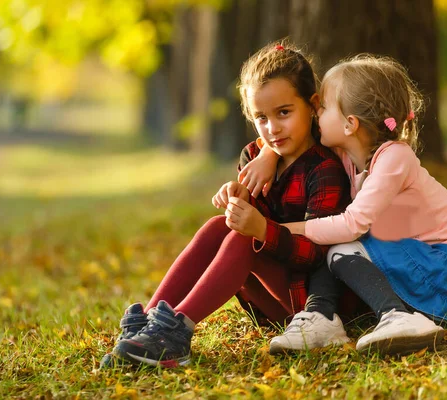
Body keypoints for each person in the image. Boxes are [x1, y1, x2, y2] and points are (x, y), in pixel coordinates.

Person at [239, 54, 447, 356]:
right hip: (427, 261)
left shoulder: (394, 158)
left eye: (322, 108)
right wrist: (267, 155)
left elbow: (353, 224)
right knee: (339, 243)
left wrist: (276, 229)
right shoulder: (347, 156)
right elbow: (292, 137)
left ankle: (396, 316)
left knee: (344, 239)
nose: (315, 113)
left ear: (349, 124)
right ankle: (325, 317)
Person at [99, 42, 352, 368]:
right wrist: (241, 196)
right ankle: (150, 323)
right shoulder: (255, 157)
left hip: (309, 305)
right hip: (269, 297)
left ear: (313, 105)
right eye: (261, 117)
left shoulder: (324, 169)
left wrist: (261, 229)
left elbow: (320, 251)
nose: (272, 128)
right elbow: (244, 221)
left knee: (242, 236)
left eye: (284, 113)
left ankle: (177, 333)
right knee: (219, 225)